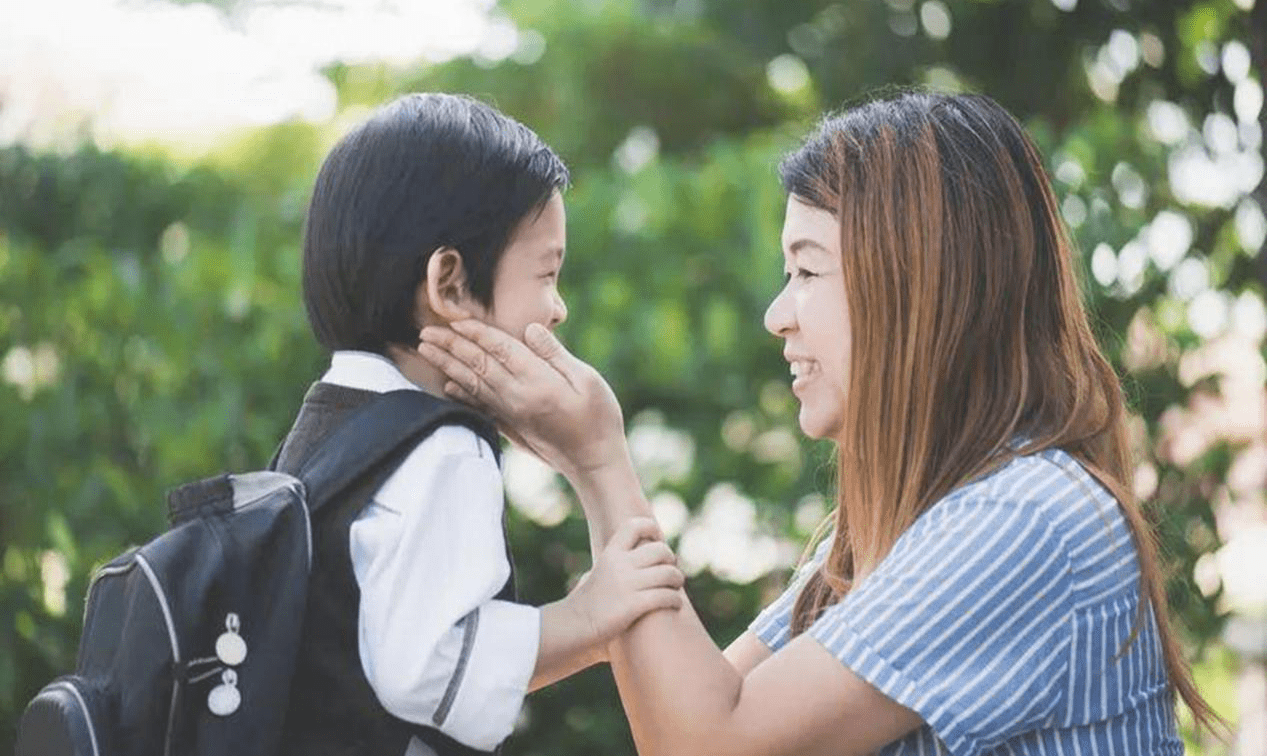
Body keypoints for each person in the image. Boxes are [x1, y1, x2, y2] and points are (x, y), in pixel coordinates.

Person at [416, 90, 1222, 755]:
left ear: (916, 286)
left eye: (806, 269)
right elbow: (683, 714)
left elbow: (713, 745)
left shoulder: (1026, 518)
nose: (777, 314)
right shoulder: (900, 532)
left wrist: (597, 463)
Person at [273, 92, 684, 756]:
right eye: (546, 274)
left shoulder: (330, 419)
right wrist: (584, 615)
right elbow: (427, 669)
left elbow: (392, 655)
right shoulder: (438, 445)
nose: (558, 309)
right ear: (451, 284)